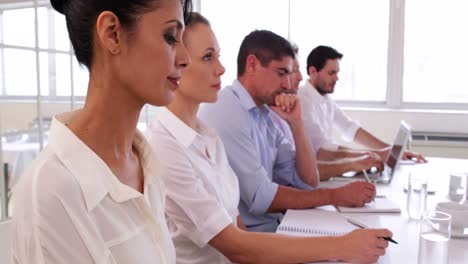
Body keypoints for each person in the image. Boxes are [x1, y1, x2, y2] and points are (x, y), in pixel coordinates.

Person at [147, 12, 391, 264]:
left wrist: (296, 124)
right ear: (176, 63)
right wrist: (340, 246)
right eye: (208, 57)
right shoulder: (166, 146)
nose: (221, 68)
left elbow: (240, 223)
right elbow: (236, 245)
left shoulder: (207, 135)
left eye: (218, 57)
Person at [11, 0, 191, 263]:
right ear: (112, 33)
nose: (186, 58)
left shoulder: (145, 164)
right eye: (170, 37)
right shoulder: (51, 193)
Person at [198, 29, 377, 233]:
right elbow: (262, 198)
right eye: (281, 73)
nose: (288, 84)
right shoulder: (228, 110)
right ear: (252, 65)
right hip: (256, 238)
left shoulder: (263, 115)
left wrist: (297, 124)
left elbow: (308, 181)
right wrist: (335, 195)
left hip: (276, 226)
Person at [299, 45, 427, 180]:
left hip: (329, 170)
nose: (337, 78)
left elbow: (350, 128)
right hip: (316, 174)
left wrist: (390, 151)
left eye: (337, 73)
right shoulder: (303, 99)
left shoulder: (325, 98)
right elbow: (321, 150)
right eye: (331, 73)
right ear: (313, 71)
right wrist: (376, 155)